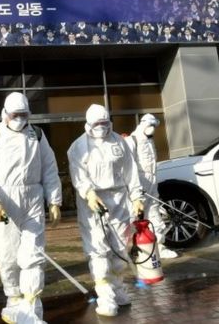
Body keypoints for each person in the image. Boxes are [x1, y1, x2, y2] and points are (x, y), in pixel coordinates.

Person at [0, 92, 62, 323]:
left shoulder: (37, 135)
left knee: (33, 255)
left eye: (24, 115)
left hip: (32, 200)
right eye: (15, 115)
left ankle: (31, 306)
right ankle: (13, 297)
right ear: (5, 114)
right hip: (4, 203)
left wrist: (54, 201)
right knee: (8, 256)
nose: (20, 119)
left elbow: (49, 169)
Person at [67, 104, 145, 317]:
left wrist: (137, 197)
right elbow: (78, 175)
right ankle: (105, 296)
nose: (101, 127)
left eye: (104, 123)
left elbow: (131, 171)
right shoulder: (78, 147)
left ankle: (118, 289)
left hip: (119, 200)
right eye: (97, 124)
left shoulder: (119, 142)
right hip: (93, 202)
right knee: (98, 248)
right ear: (88, 125)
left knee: (120, 247)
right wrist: (88, 193)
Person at [125, 114, 179, 259]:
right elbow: (128, 166)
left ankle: (160, 246)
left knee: (154, 214)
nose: (152, 129)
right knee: (133, 216)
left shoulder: (150, 141)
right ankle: (130, 249)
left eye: (154, 126)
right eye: (150, 126)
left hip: (152, 182)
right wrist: (135, 188)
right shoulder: (132, 140)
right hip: (138, 184)